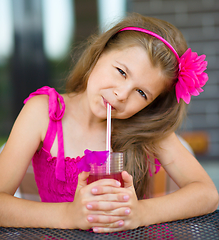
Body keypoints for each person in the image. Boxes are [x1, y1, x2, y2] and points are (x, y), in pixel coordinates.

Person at [0, 13, 218, 232]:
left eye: (141, 93)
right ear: (99, 54)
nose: (122, 94)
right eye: (121, 72)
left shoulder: (146, 128)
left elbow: (207, 194)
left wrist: (141, 212)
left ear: (150, 105)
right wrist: (68, 215)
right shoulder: (43, 112)